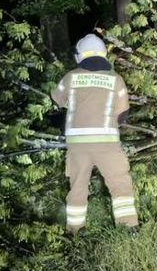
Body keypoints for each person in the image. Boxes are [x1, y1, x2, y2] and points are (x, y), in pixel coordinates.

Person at [50, 33, 138, 232]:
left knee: (77, 188)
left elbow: (56, 101)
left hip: (78, 146)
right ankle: (129, 229)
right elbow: (122, 114)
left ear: (79, 55)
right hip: (108, 145)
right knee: (120, 185)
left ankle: (75, 231)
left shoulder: (70, 77)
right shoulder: (116, 80)